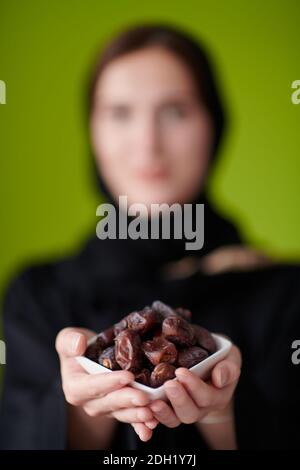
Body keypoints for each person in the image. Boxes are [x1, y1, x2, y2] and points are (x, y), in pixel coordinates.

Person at [0, 24, 299, 450]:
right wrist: (84, 411)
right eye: (120, 112)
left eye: (175, 111)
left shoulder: (285, 294)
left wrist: (223, 412)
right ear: (93, 133)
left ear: (214, 125)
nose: (148, 143)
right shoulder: (37, 295)